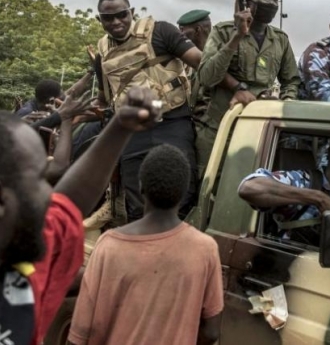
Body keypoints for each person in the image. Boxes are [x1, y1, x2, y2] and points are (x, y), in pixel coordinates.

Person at [0, 87, 162, 345]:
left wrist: (121, 126)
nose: (51, 195)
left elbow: (69, 204)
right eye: (40, 179)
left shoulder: (11, 270)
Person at [69, 144, 223, 345]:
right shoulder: (205, 248)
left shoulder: (109, 246)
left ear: (141, 187)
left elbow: (80, 332)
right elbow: (211, 332)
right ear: (185, 191)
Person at [95, 0, 203, 222]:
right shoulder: (101, 50)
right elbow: (105, 95)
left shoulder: (161, 31)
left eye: (122, 15)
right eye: (108, 18)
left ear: (131, 12)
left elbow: (201, 63)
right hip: (132, 131)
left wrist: (237, 88)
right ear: (100, 20)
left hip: (172, 122)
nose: (116, 22)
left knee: (183, 190)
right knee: (136, 199)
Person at [197, 0, 300, 176]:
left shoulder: (280, 39)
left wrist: (284, 106)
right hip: (220, 129)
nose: (271, 3)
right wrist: (238, 35)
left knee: (251, 188)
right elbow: (207, 76)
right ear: (247, 3)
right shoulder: (223, 31)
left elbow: (292, 81)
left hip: (258, 131)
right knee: (210, 187)